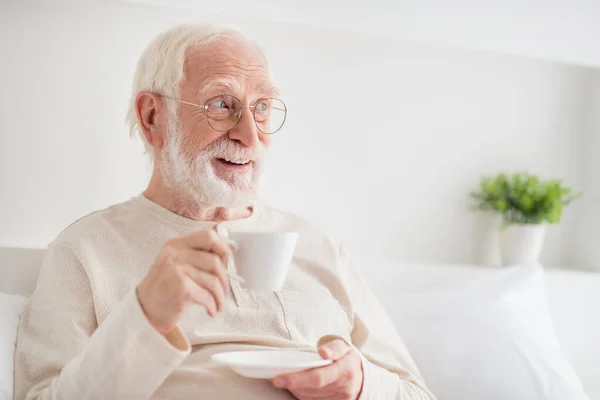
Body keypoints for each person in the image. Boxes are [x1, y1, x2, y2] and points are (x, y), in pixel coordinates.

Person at [13, 24, 435, 400]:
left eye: (263, 107)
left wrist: (361, 384)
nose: (250, 136)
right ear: (153, 117)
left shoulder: (317, 244)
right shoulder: (84, 250)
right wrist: (144, 317)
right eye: (221, 104)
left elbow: (417, 393)